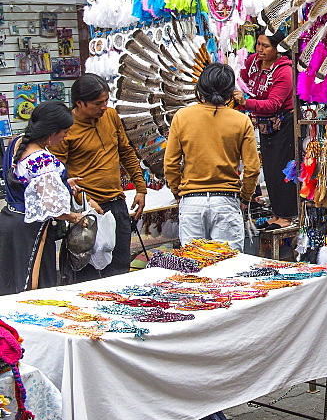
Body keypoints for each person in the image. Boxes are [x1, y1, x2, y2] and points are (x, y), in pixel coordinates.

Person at [51, 73, 148, 277]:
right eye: (98, 103)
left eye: (106, 100)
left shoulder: (110, 116)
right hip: (87, 210)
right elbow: (57, 174)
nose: (104, 106)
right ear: (80, 103)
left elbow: (126, 152)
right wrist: (82, 198)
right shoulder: (66, 129)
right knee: (89, 274)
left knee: (120, 267)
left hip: (116, 203)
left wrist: (141, 188)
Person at [165, 63, 261, 250]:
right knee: (228, 268)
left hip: (192, 201)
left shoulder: (182, 116)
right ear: (230, 92)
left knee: (195, 268)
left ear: (201, 87)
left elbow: (170, 164)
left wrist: (178, 192)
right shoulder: (241, 120)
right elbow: (252, 168)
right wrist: (245, 198)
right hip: (226, 201)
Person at [0, 102, 88, 294]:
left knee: (9, 281)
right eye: (64, 132)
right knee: (31, 286)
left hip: (9, 220)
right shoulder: (42, 160)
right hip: (31, 230)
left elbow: (26, 182)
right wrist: (76, 217)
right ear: (51, 132)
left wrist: (62, 184)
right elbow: (51, 207)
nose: (66, 136)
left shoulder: (17, 142)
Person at [233, 30, 296, 229]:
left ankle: (287, 215)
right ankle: (278, 212)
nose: (260, 49)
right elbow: (242, 77)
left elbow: (273, 104)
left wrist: (246, 102)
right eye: (258, 44)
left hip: (283, 124)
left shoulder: (284, 71)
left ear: (278, 49)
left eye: (266, 46)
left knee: (283, 169)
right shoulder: (253, 62)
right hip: (265, 124)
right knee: (269, 168)